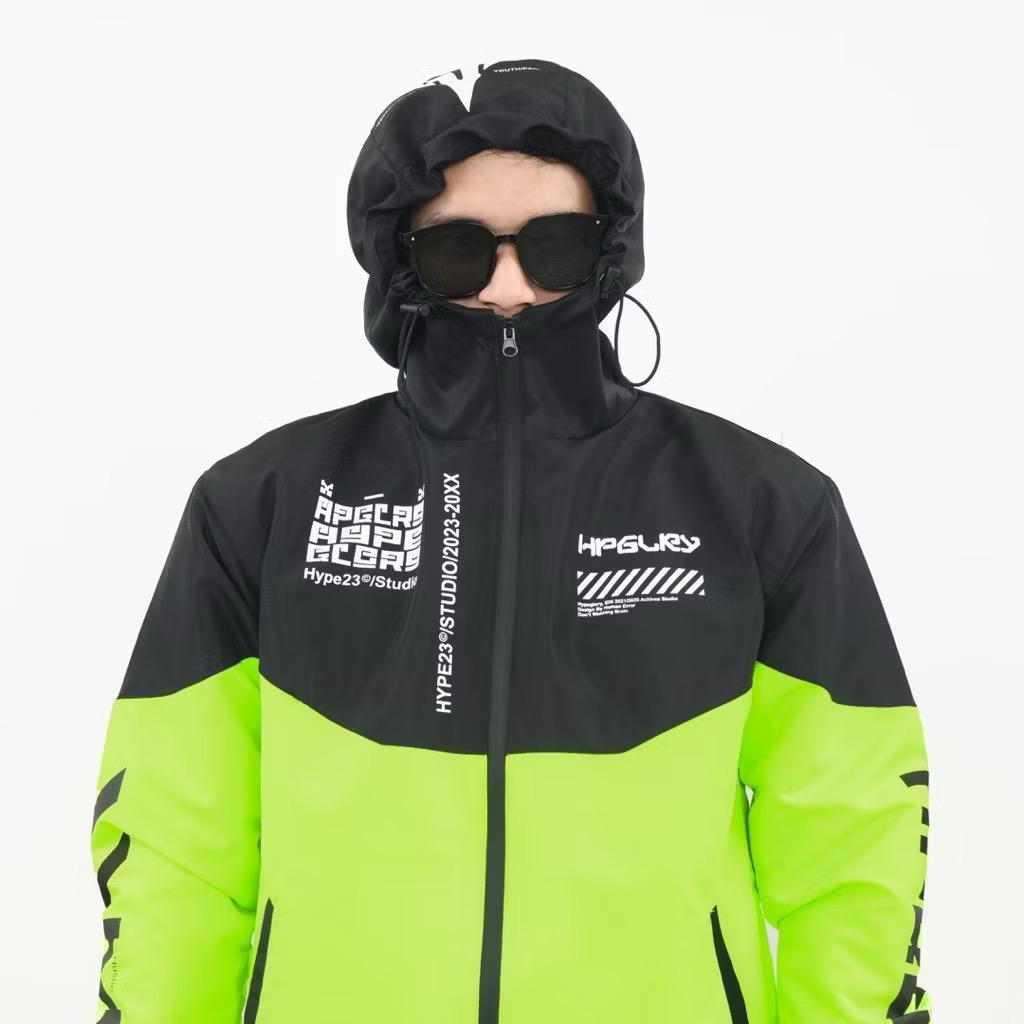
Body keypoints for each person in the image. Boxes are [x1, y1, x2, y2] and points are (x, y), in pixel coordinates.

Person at [89, 58, 933, 1024]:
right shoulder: (264, 503)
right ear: (400, 262)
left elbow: (852, 846)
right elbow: (176, 846)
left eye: (555, 246)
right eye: (458, 250)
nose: (509, 285)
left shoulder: (759, 505)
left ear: (610, 248)